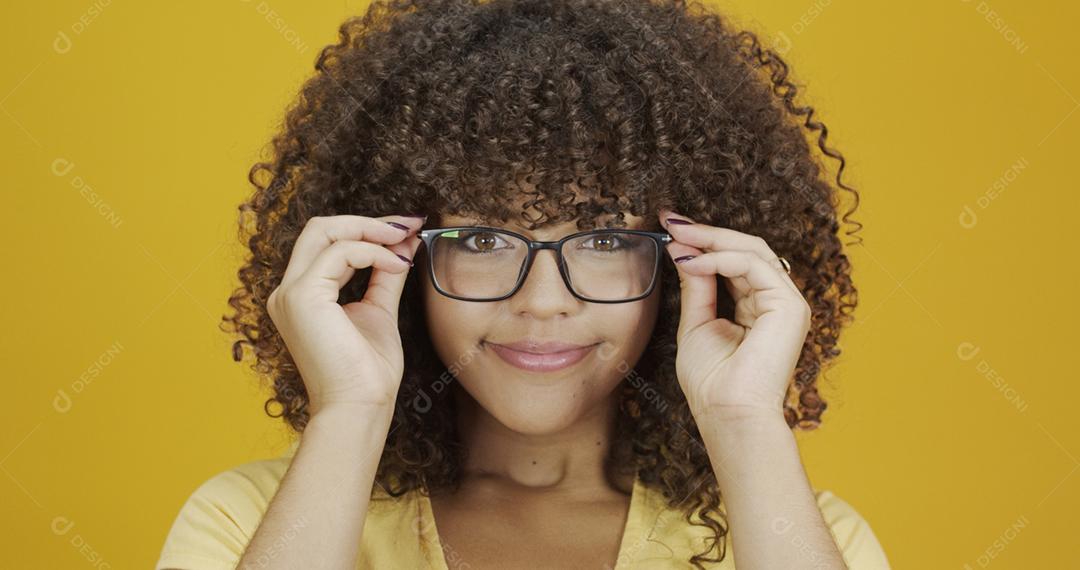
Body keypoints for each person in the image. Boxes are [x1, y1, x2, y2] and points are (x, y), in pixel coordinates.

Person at [156, 0, 890, 568]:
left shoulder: (795, 532)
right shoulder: (246, 520)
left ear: (681, 265)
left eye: (603, 239)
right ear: (397, 256)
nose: (541, 303)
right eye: (483, 240)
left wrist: (746, 425)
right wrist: (349, 410)